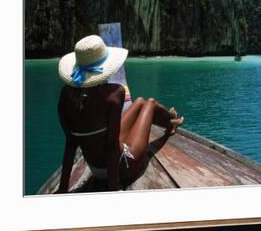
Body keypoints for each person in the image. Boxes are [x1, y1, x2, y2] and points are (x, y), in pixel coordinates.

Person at [56, 35, 184, 193]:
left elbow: (70, 146)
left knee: (139, 102)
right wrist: (113, 188)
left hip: (96, 170)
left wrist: (62, 189)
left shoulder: (66, 96)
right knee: (149, 103)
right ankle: (171, 122)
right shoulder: (115, 93)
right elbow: (111, 145)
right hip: (122, 165)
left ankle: (171, 122)